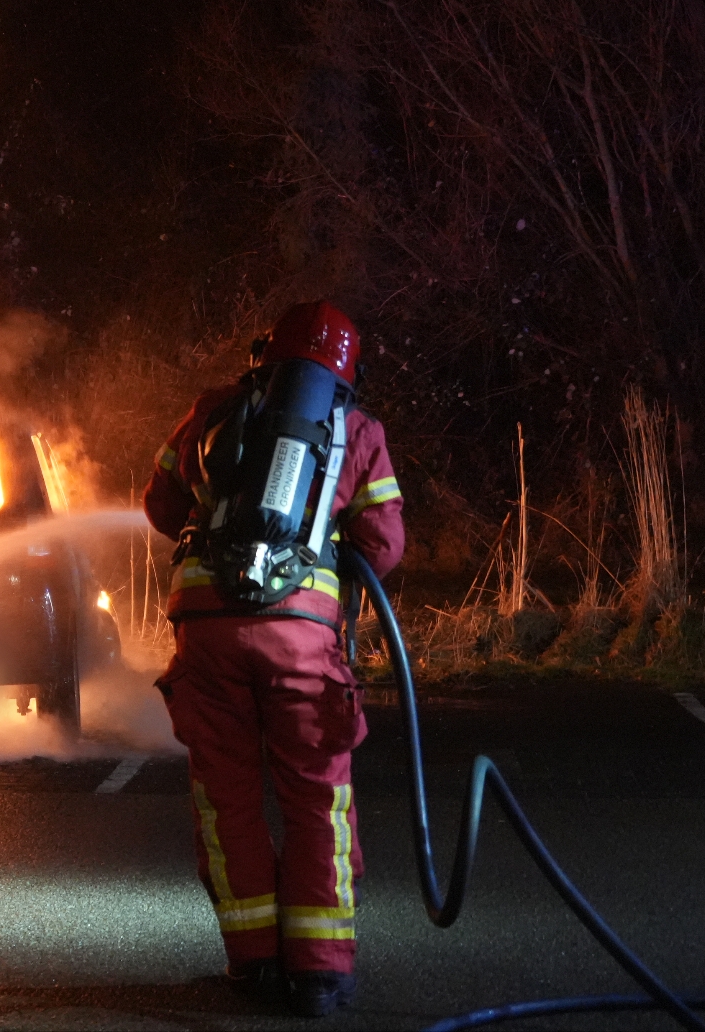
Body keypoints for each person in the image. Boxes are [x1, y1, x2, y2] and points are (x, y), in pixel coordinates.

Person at [142, 300, 404, 1018]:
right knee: (318, 796)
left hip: (207, 631)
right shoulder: (360, 429)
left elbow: (161, 507)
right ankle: (317, 974)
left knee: (226, 796)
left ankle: (252, 961)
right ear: (348, 371)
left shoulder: (215, 409)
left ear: (266, 352)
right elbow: (384, 546)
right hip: (301, 639)